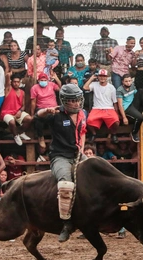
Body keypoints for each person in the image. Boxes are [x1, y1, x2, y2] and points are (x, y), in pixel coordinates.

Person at [36, 84, 87, 243]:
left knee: (100, 172)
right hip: (60, 156)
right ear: (65, 101)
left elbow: (83, 132)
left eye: (78, 100)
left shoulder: (82, 114)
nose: (76, 103)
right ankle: (66, 224)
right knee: (65, 185)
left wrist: (82, 150)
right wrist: (46, 110)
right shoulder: (56, 113)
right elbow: (38, 116)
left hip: (77, 153)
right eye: (72, 100)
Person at [83, 69, 120, 144]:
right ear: (98, 77)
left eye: (104, 76)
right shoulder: (94, 84)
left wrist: (117, 113)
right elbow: (85, 87)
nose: (102, 78)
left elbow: (115, 102)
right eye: (100, 76)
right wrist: (91, 78)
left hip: (109, 108)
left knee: (116, 121)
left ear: (106, 77)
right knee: (89, 121)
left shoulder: (111, 87)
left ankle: (114, 133)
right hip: (97, 108)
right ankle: (94, 134)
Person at [116, 73, 143, 143]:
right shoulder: (119, 90)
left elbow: (140, 94)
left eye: (130, 81)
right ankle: (134, 133)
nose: (128, 83)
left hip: (133, 104)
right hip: (127, 107)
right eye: (126, 81)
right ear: (123, 82)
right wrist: (124, 117)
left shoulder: (132, 86)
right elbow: (120, 105)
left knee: (140, 90)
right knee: (140, 117)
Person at [30, 71, 61, 148]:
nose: (43, 82)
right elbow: (33, 102)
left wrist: (56, 78)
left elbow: (61, 88)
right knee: (38, 119)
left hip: (53, 108)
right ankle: (41, 137)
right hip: (41, 109)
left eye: (45, 80)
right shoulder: (34, 88)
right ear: (38, 80)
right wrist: (32, 114)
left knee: (58, 118)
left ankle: (55, 138)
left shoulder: (51, 85)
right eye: (41, 80)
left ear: (47, 80)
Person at [1, 73, 33, 146]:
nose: (16, 83)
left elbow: (23, 105)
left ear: (20, 83)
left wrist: (20, 111)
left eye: (18, 82)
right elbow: (7, 82)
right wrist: (8, 75)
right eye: (14, 82)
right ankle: (16, 136)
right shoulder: (8, 89)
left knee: (29, 119)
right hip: (6, 112)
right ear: (12, 82)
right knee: (12, 122)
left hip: (17, 112)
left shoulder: (22, 92)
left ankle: (20, 132)